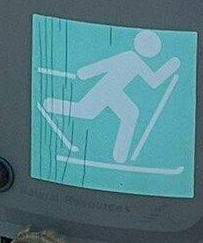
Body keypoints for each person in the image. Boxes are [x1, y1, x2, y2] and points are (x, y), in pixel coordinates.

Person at [42, 31, 178, 163]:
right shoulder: (129, 56)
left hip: (115, 92)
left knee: (130, 113)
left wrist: (170, 67)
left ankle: (120, 155)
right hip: (105, 90)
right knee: (86, 111)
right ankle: (51, 105)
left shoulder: (136, 61)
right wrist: (85, 72)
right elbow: (105, 65)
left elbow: (153, 82)